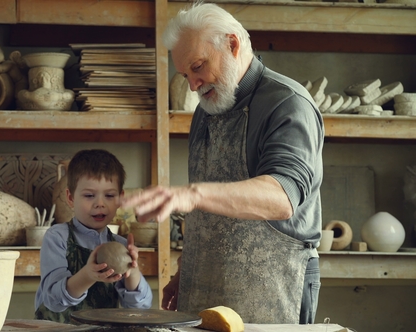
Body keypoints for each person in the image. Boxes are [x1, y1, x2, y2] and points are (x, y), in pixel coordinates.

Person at [121, 1, 324, 325]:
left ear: (232, 44)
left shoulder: (287, 103)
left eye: (198, 67)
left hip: (271, 285)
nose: (192, 85)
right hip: (205, 285)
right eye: (186, 74)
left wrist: (191, 194)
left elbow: (283, 196)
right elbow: (205, 212)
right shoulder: (206, 111)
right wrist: (184, 271)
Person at [34, 149, 153, 323]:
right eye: (89, 195)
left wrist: (132, 269)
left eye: (109, 195)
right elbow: (53, 300)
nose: (100, 204)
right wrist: (88, 276)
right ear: (70, 198)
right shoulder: (57, 237)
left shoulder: (120, 245)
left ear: (120, 199)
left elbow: (139, 308)